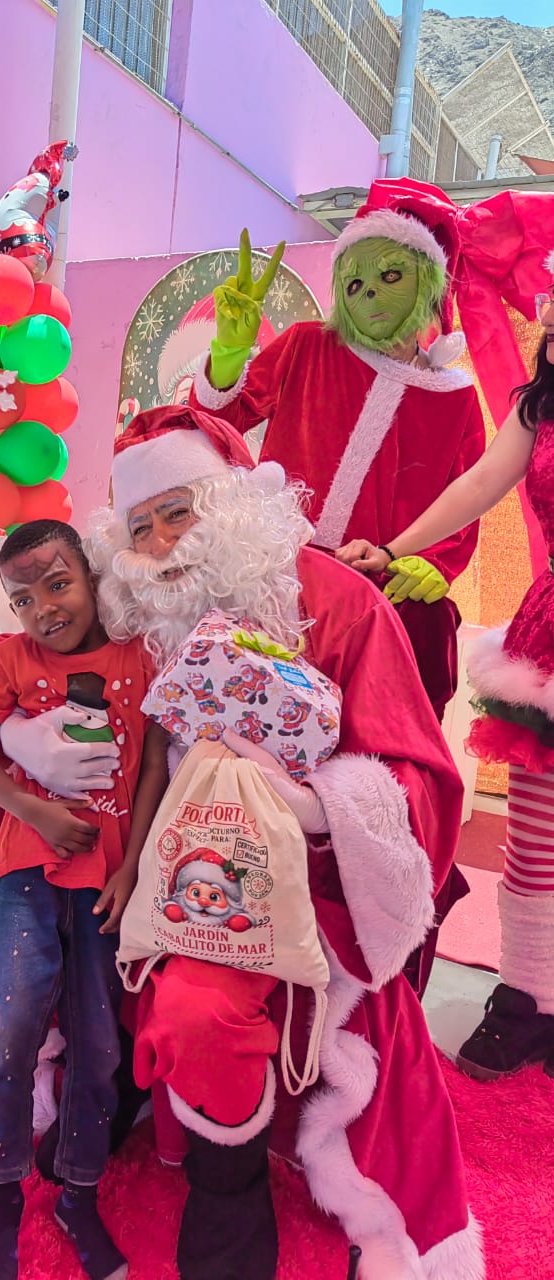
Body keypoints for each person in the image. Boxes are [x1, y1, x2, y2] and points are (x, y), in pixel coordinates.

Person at [0, 407, 484, 1280]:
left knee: (198, 1010)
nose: (159, 545)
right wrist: (22, 745)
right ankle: (115, 1083)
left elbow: (416, 778)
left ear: (232, 507)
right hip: (111, 860)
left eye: (177, 513)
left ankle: (228, 1195)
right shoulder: (121, 601)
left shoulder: (334, 602)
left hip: (261, 889)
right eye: (139, 526)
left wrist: (313, 805)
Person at [337, 252, 554, 1084]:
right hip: (550, 636)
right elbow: (479, 484)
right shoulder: (539, 406)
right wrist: (394, 548)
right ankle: (526, 1000)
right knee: (535, 840)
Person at [0, 518, 169, 1280]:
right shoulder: (6, 661)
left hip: (105, 883)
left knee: (99, 1043)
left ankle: (78, 1194)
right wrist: (38, 812)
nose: (44, 609)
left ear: (89, 576)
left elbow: (154, 767)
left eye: (57, 584)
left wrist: (132, 868)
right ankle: (2, 1201)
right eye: (24, 599)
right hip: (26, 872)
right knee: (11, 1027)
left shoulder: (141, 657)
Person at [189, 184, 485, 726]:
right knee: (261, 724)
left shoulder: (454, 396)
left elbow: (466, 497)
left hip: (379, 599)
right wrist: (228, 353)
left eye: (390, 276)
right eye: (355, 283)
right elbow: (218, 423)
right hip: (279, 580)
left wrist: (430, 562)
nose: (369, 293)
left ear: (428, 283)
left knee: (367, 734)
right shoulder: (308, 345)